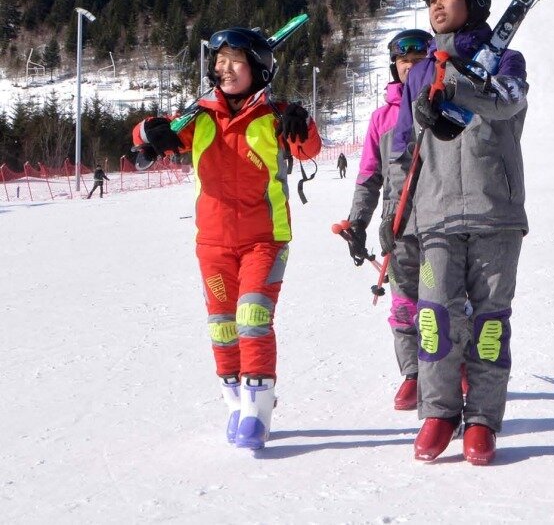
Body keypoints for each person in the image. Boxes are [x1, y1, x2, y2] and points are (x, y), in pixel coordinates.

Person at [132, 26, 321, 450]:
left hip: (264, 239)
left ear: (258, 68)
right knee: (222, 326)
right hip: (213, 243)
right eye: (220, 62)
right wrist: (151, 132)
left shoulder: (276, 114)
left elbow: (308, 150)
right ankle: (235, 403)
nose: (226, 69)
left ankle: (257, 409)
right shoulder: (199, 115)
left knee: (252, 317)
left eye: (236, 61)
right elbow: (146, 139)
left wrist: (303, 122)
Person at [392, 0, 528, 467]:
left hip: (495, 213)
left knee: (489, 323)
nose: (437, 6)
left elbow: (508, 101)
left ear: (474, 4)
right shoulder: (420, 71)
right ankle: (440, 412)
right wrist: (393, 216)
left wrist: (456, 93)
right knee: (434, 319)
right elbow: (403, 151)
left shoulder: (505, 58)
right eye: (432, 0)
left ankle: (483, 419)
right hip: (436, 215)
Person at [334, 29, 432, 411]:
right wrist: (358, 222)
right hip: (398, 222)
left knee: (446, 298)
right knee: (404, 302)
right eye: (404, 61)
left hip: (441, 216)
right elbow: (368, 176)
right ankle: (413, 373)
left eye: (418, 60)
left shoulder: (445, 103)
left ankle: (454, 368)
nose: (410, 67)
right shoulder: (382, 118)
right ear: (394, 66)